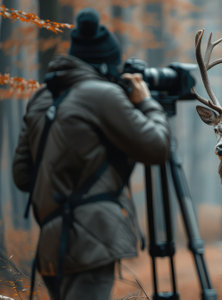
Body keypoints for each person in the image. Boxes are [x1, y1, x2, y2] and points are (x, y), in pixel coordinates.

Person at [12, 7, 170, 300]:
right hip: (92, 240)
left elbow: (22, 176)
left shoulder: (41, 98)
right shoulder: (101, 94)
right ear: (108, 65)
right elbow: (158, 147)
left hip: (51, 242)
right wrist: (147, 103)